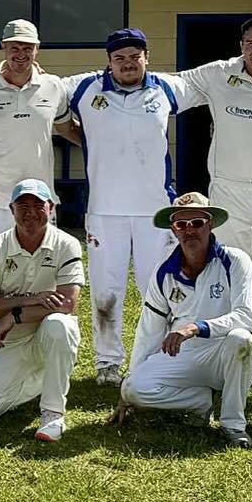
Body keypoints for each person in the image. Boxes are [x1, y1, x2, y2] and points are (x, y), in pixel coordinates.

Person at [64, 28, 190, 386]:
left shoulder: (166, 88)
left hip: (156, 211)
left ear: (146, 56)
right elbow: (40, 85)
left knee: (160, 287)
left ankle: (156, 358)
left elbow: (210, 81)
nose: (128, 64)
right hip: (105, 210)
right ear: (108, 61)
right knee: (107, 289)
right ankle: (107, 363)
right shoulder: (84, 88)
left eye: (135, 56)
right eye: (119, 58)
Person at [117, 192, 252, 448]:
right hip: (183, 353)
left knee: (242, 339)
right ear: (173, 229)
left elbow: (245, 317)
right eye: (182, 224)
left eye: (197, 223)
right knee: (132, 389)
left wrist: (198, 328)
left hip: (222, 350)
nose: (189, 230)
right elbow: (149, 329)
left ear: (210, 224)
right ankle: (201, 402)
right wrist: (130, 383)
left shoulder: (235, 261)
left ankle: (233, 425)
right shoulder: (163, 271)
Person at [0, 179, 84, 442]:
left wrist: (14, 315)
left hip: (47, 336)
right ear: (11, 209)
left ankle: (53, 413)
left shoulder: (67, 244)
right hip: (10, 342)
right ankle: (45, 377)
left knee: (59, 324)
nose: (30, 212)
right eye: (23, 205)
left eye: (38, 205)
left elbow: (66, 303)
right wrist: (31, 300)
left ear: (51, 207)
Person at [0, 21, 76, 243]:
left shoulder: (54, 86)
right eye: (14, 48)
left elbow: (67, 128)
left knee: (42, 273)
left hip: (42, 201)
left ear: (37, 49)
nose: (21, 54)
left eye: (28, 48)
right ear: (3, 47)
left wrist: (105, 146)